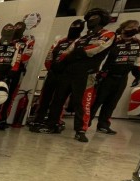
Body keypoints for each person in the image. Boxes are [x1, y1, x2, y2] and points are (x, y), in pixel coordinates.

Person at [40, 8, 115, 142]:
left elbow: (94, 50)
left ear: (102, 19)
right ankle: (53, 125)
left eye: (95, 17)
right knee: (58, 99)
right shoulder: (82, 38)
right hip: (68, 72)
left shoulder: (108, 34)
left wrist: (76, 54)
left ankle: (80, 130)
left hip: (86, 74)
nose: (92, 20)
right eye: (90, 17)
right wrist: (63, 62)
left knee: (82, 103)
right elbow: (67, 53)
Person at [30, 19, 85, 131]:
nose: (74, 28)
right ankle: (38, 120)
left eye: (78, 26)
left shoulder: (81, 42)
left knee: (59, 100)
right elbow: (49, 56)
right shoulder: (60, 41)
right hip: (53, 73)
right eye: (73, 25)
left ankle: (53, 123)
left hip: (67, 76)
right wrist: (51, 69)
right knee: (44, 98)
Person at [89, 20, 140, 134]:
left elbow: (136, 61)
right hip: (107, 76)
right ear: (124, 28)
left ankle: (103, 125)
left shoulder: (137, 43)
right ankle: (85, 123)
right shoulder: (113, 39)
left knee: (112, 103)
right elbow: (101, 56)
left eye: (136, 27)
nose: (134, 29)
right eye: (132, 26)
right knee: (97, 101)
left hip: (122, 78)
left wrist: (138, 75)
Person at [0, 21, 34, 129]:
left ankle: (3, 119)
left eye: (20, 27)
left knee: (10, 95)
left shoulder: (26, 41)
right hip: (1, 70)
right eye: (15, 27)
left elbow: (26, 56)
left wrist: (15, 65)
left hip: (17, 71)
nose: (17, 28)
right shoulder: (3, 41)